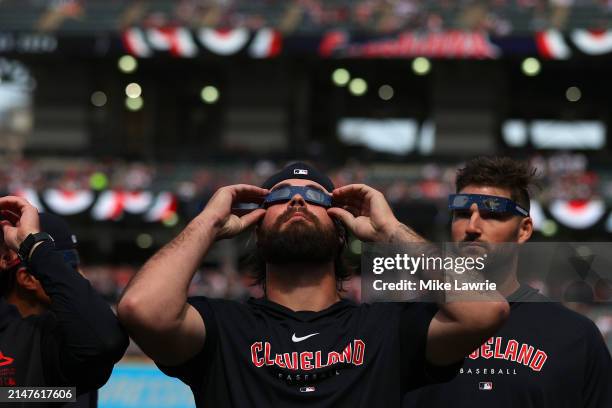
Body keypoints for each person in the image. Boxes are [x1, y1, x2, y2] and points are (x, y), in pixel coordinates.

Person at [118, 162, 510, 407]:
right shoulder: (220, 328)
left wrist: (390, 230)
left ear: (341, 231)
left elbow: (484, 310)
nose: (297, 202)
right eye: (282, 196)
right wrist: (207, 222)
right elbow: (141, 309)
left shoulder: (387, 330)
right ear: (255, 230)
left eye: (314, 198)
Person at [403, 156, 612, 408]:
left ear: (523, 230)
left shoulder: (576, 337)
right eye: (461, 214)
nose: (472, 226)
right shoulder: (405, 325)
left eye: (492, 214)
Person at [0, 197, 128, 405]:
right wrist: (34, 247)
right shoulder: (31, 341)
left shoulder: (71, 347)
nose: (80, 278)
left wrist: (34, 246)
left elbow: (106, 342)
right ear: (26, 278)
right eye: (70, 267)